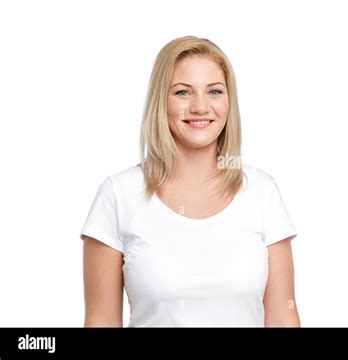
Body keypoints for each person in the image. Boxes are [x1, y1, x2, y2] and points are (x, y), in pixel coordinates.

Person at [80, 36, 300, 327]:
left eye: (214, 91)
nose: (199, 107)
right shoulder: (118, 195)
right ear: (162, 101)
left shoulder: (262, 193)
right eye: (183, 92)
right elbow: (102, 321)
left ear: (228, 102)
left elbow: (283, 316)